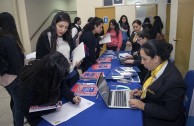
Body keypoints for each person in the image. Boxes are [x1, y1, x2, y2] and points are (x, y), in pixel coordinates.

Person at [129, 40, 186, 126]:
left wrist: (143, 106)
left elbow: (171, 113)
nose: (142, 62)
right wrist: (142, 93)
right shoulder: (156, 67)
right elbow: (156, 91)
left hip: (166, 121)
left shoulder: (174, 81)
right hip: (154, 107)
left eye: (144, 59)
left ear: (156, 59)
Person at [18, 52, 81, 126]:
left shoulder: (55, 73)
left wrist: (72, 97)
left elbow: (62, 86)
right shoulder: (29, 80)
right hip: (37, 117)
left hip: (53, 109)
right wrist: (52, 107)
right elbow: (27, 109)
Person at [36, 11, 80, 88]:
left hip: (69, 73)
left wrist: (75, 60)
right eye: (60, 26)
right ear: (54, 24)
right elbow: (40, 61)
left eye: (66, 27)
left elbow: (71, 53)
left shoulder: (67, 35)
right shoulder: (45, 37)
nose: (63, 30)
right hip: (54, 78)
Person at [0, 12, 25, 126]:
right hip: (13, 78)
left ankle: (16, 121)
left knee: (15, 101)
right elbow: (16, 64)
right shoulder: (8, 39)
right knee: (20, 104)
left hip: (3, 78)